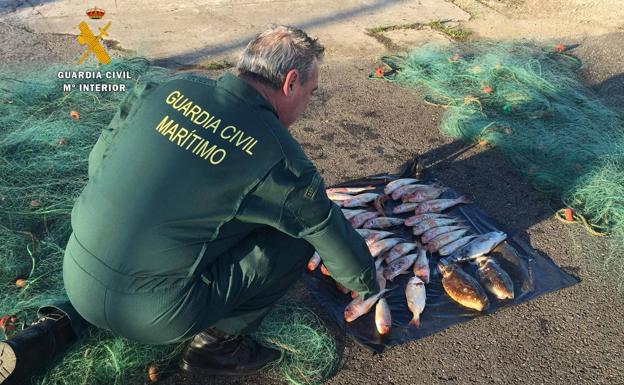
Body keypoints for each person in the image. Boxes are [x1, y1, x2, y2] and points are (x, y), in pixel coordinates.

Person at [0, 25, 379, 384]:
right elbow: (324, 228)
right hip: (156, 317)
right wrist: (365, 283)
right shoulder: (280, 158)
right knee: (296, 237)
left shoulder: (165, 87)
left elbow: (100, 161)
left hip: (77, 274)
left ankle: (54, 328)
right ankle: (218, 345)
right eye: (310, 92)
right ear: (290, 82)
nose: (308, 103)